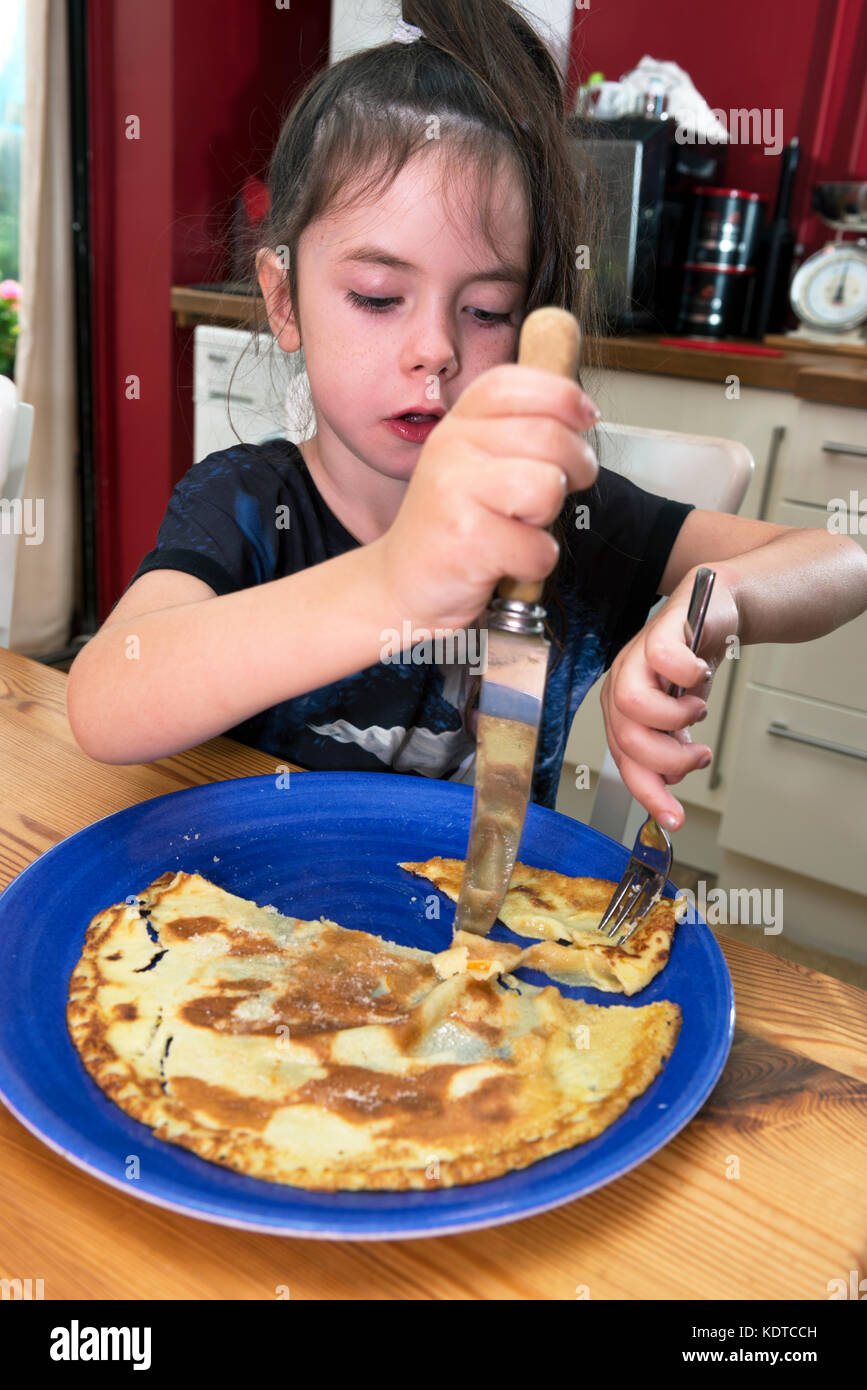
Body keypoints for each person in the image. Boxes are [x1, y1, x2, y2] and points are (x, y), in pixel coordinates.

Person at [66, 1, 867, 834]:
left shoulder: (560, 517)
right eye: (377, 298)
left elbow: (840, 562)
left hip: (483, 954)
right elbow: (104, 700)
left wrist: (711, 602)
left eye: (486, 309)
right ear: (284, 300)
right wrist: (391, 582)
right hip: (254, 936)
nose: (434, 349)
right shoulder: (245, 503)